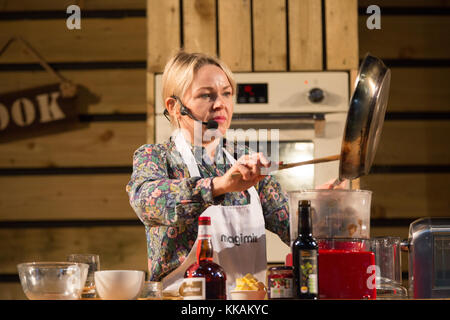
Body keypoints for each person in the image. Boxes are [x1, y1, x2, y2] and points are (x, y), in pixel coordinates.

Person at [126, 51, 290, 296]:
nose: (220, 104)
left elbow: (293, 226)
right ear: (175, 107)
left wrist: (325, 208)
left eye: (226, 93)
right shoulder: (156, 157)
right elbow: (146, 201)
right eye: (206, 95)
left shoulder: (247, 160)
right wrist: (218, 185)